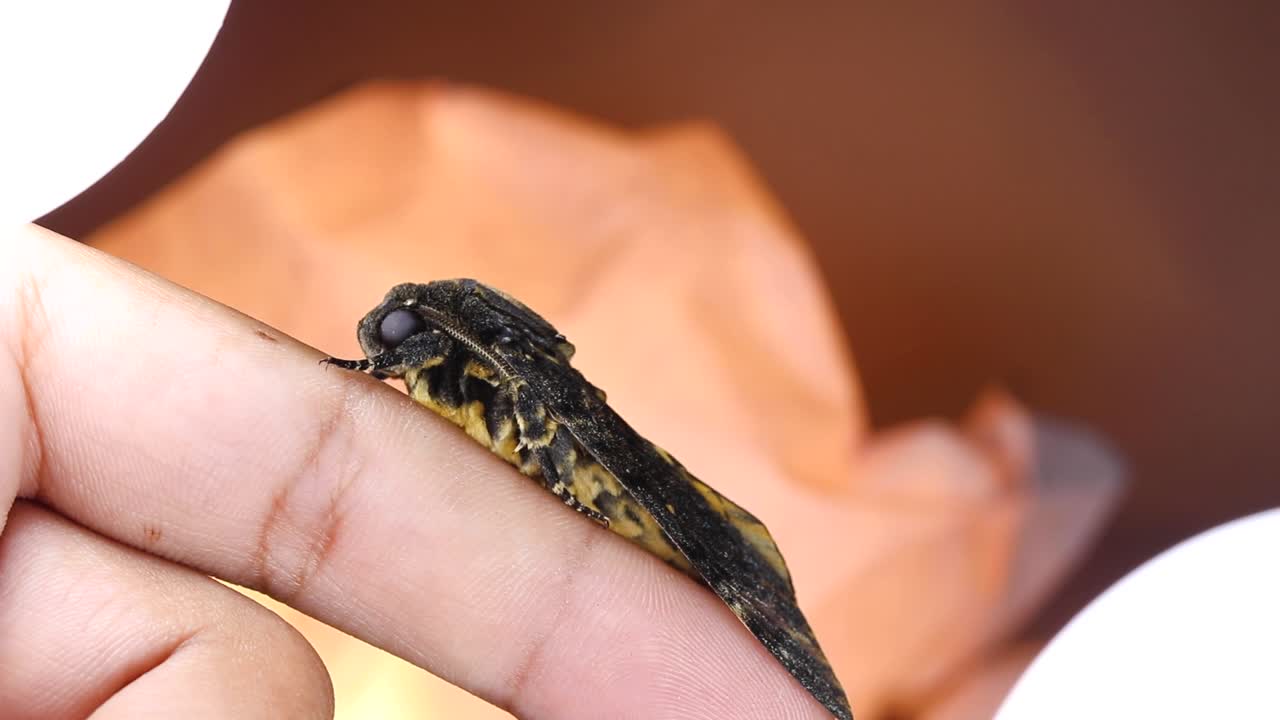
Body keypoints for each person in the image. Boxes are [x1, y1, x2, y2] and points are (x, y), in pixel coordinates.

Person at [0, 224, 836, 718]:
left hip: (600, 469)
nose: (384, 341)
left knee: (712, 565)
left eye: (395, 337)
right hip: (589, 472)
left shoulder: (492, 367)